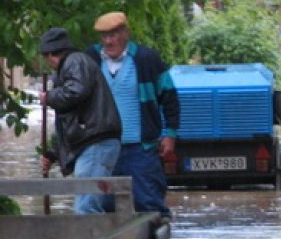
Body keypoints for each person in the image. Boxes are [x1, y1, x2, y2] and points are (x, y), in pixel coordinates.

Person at [86, 12, 179, 216]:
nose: (109, 41)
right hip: (104, 149)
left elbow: (169, 96)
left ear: (125, 34)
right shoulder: (91, 60)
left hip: (141, 149)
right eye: (104, 36)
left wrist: (170, 133)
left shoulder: (146, 59)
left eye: (113, 35)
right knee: (105, 205)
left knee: (149, 203)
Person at [37, 27, 121, 214]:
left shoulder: (75, 61)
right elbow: (73, 121)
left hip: (95, 143)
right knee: (89, 205)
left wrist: (48, 97)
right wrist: (54, 154)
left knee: (86, 208)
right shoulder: (77, 63)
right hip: (93, 144)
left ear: (50, 55)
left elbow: (77, 91)